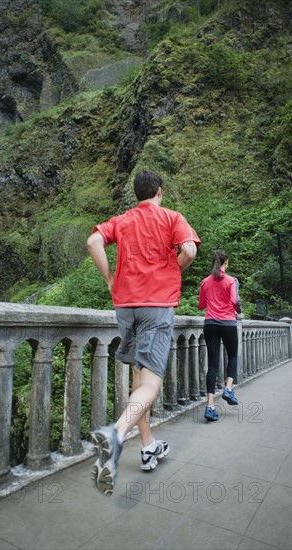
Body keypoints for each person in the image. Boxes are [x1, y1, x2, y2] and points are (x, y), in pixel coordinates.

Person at [87, 169, 200, 495]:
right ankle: (116, 435)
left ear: (136, 195)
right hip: (156, 305)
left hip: (126, 306)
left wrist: (110, 277)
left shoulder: (122, 220)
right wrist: (169, 271)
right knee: (151, 383)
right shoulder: (171, 217)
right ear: (159, 192)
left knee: (139, 379)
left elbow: (94, 240)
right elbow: (190, 250)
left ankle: (148, 446)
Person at [198, 249, 242, 422]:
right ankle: (228, 388)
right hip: (228, 324)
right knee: (232, 356)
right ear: (226, 263)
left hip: (210, 324)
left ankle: (210, 407)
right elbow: (235, 301)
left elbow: (201, 305)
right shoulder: (232, 281)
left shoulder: (205, 282)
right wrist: (238, 310)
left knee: (213, 364)